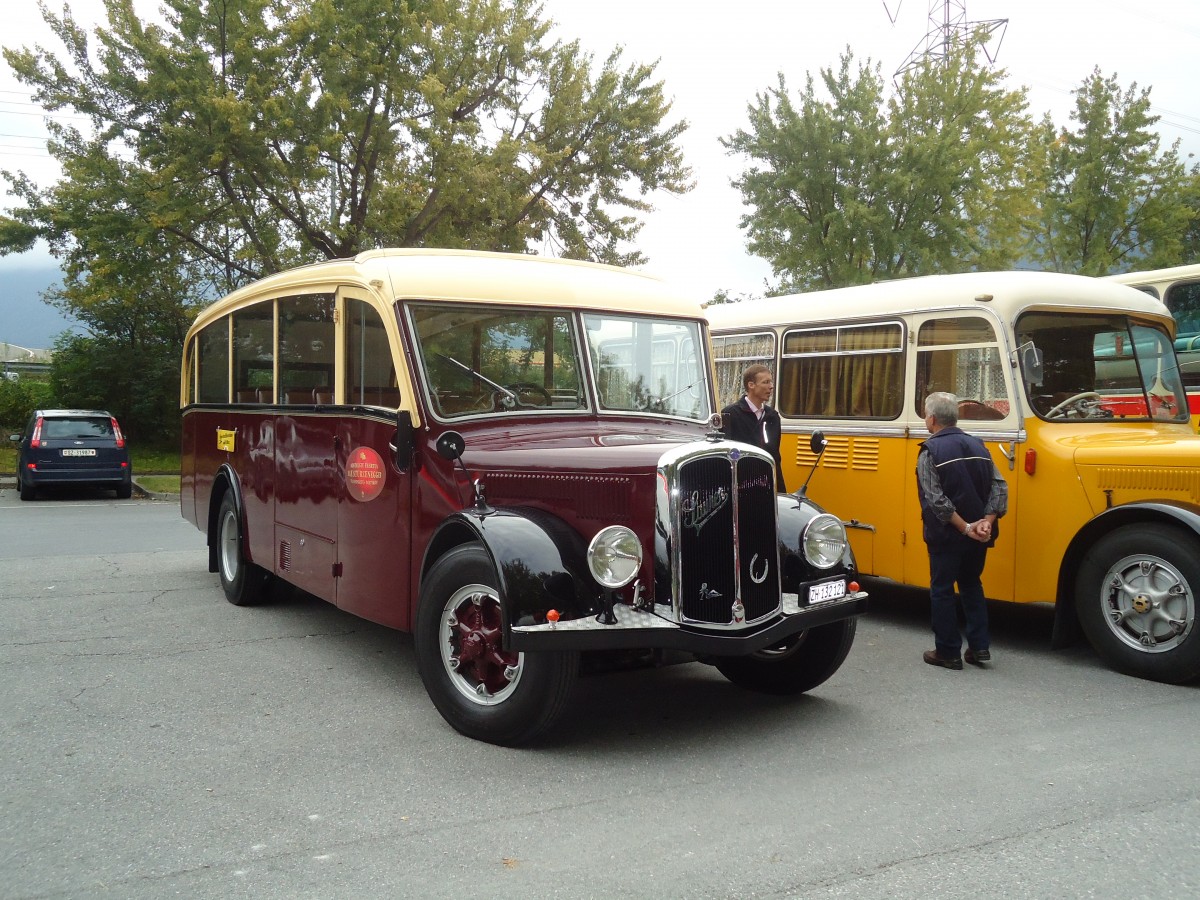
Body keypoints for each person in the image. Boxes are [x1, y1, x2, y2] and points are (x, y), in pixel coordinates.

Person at [916, 391, 1008, 670]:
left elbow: (936, 500)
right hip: (979, 535)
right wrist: (986, 523)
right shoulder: (980, 446)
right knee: (971, 585)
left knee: (942, 589)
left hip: (947, 536)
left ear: (931, 419)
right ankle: (980, 648)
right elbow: (1000, 487)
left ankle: (948, 652)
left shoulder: (930, 451)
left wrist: (965, 527)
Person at [722, 364, 787, 492]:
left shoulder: (772, 416)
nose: (771, 386)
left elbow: (775, 456)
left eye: (771, 382)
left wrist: (780, 490)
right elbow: (726, 456)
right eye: (765, 382)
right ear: (751, 385)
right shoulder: (730, 414)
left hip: (767, 484)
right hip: (741, 487)